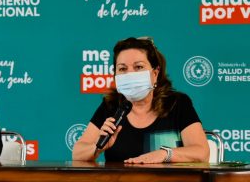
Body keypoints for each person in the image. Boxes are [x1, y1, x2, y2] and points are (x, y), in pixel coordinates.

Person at [73, 37, 209, 163]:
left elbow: (202, 152)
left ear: (155, 74)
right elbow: (77, 154)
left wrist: (164, 154)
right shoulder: (111, 106)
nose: (130, 74)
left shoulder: (177, 103)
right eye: (122, 69)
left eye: (138, 67)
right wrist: (98, 146)